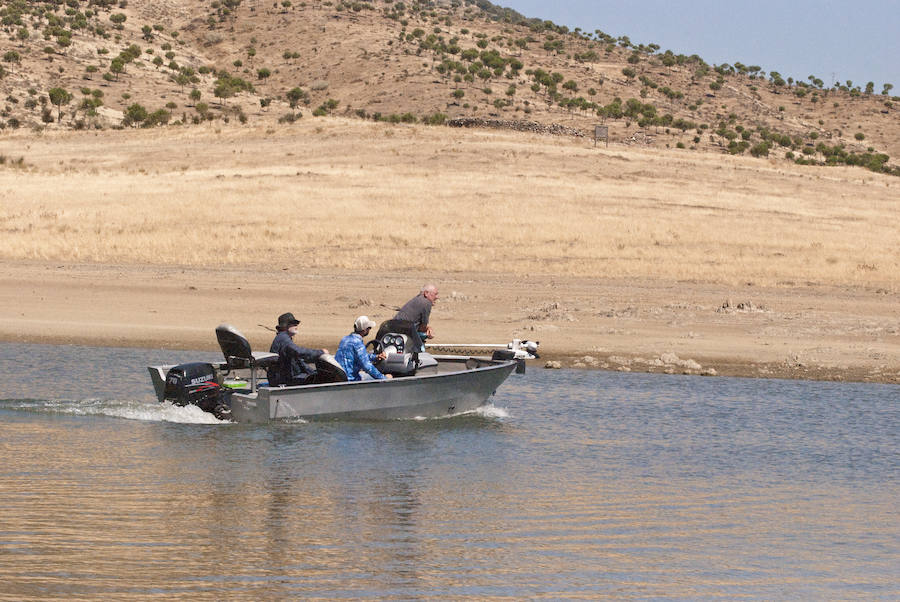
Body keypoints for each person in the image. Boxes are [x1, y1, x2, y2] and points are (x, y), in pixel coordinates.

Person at [267, 312, 329, 386]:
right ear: (285, 326)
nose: (296, 326)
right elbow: (298, 351)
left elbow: (299, 359)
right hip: (282, 380)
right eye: (293, 324)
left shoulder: (283, 337)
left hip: (282, 377)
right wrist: (320, 352)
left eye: (296, 324)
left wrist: (312, 372)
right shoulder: (283, 338)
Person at [335, 316, 393, 381]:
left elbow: (360, 356)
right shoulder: (358, 343)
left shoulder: (345, 339)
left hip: (341, 376)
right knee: (389, 376)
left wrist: (375, 357)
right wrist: (384, 378)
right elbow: (368, 367)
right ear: (365, 330)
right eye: (369, 328)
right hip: (351, 379)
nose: (369, 330)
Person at [394, 284, 438, 349]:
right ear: (426, 293)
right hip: (403, 333)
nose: (437, 297)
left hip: (394, 328)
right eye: (435, 294)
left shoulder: (417, 299)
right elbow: (422, 328)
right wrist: (429, 330)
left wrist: (426, 328)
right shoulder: (426, 303)